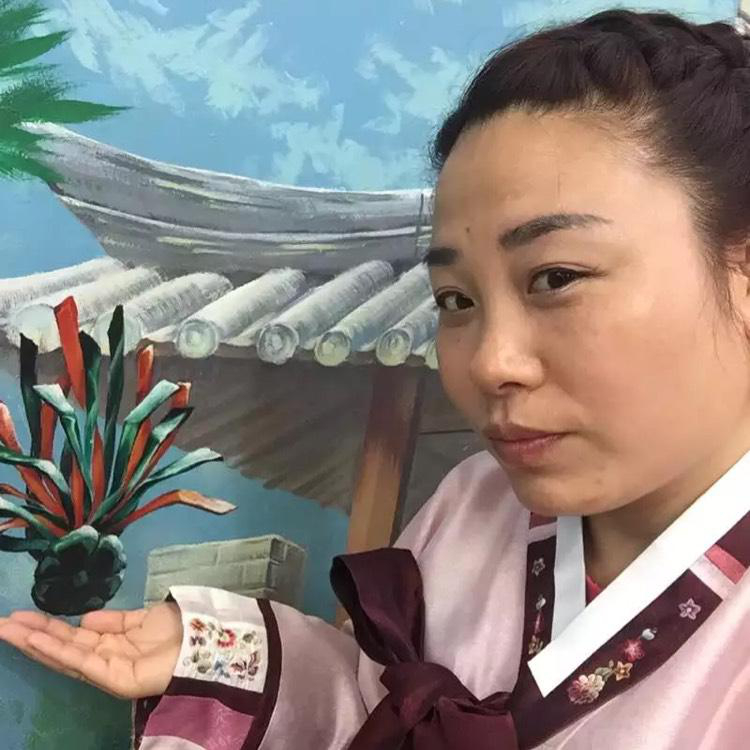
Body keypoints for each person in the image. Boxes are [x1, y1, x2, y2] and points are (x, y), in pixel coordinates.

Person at [4, 7, 750, 748]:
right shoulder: (473, 506)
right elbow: (377, 704)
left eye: (556, 277)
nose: (490, 362)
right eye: (455, 300)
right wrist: (224, 659)